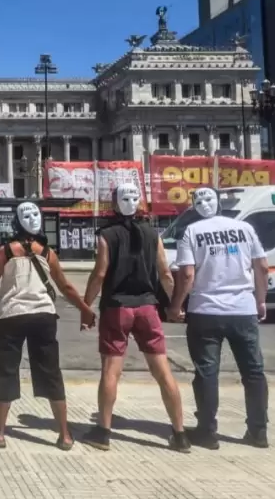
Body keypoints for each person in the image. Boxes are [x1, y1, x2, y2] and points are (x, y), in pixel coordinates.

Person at [0, 202, 95, 450]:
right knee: (51, 372)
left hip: (12, 316)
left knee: (7, 371)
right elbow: (65, 287)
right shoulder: (47, 253)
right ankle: (65, 435)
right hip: (44, 317)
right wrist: (85, 309)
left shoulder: (6, 251)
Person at [80, 183, 190, 453]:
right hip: (147, 308)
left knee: (111, 371)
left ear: (114, 204)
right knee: (163, 372)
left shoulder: (107, 234)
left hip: (117, 308)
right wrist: (176, 305)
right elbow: (165, 273)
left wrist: (86, 305)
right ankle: (180, 434)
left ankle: (103, 432)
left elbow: (100, 274)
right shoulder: (153, 234)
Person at [168, 186, 270, 449]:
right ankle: (258, 431)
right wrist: (260, 300)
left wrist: (176, 305)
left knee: (206, 373)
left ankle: (207, 431)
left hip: (205, 311)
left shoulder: (191, 231)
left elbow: (187, 274)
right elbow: (262, 266)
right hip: (243, 309)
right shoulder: (244, 228)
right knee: (253, 372)